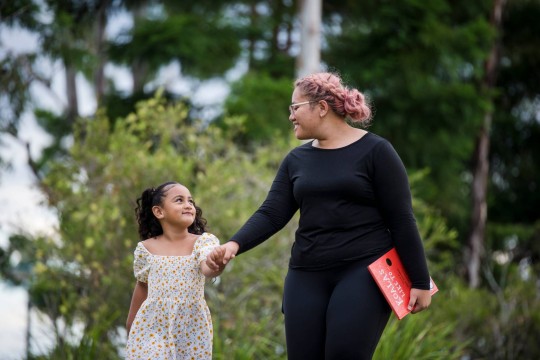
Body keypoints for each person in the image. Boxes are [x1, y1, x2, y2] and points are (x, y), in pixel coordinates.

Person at [206, 72, 433, 359]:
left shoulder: (377, 152)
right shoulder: (296, 160)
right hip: (306, 274)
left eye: (295, 107)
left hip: (362, 272)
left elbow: (401, 219)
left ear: (321, 108)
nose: (290, 116)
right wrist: (233, 245)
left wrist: (420, 281)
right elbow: (272, 213)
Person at [125, 181, 226, 360]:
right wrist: (130, 325)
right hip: (152, 327)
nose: (188, 205)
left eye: (191, 201)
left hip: (192, 329)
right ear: (159, 211)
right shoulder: (145, 249)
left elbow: (208, 269)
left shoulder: (203, 242)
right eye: (179, 200)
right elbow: (142, 286)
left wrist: (216, 263)